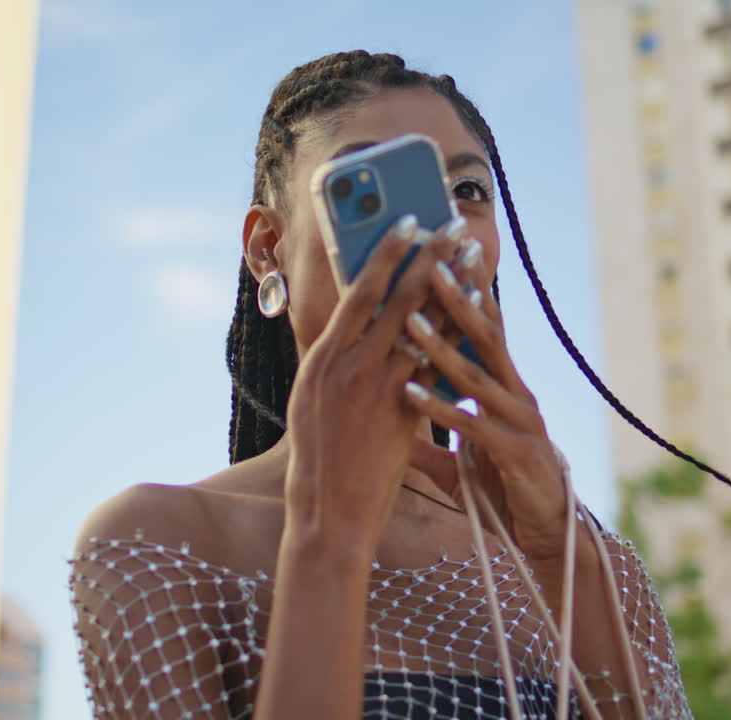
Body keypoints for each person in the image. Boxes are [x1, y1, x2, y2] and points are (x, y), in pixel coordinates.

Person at [70, 51, 692, 720]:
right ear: (266, 248)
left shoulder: (596, 561)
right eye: (371, 189)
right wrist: (329, 539)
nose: (430, 229)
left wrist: (560, 553)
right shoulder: (158, 544)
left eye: (467, 192)